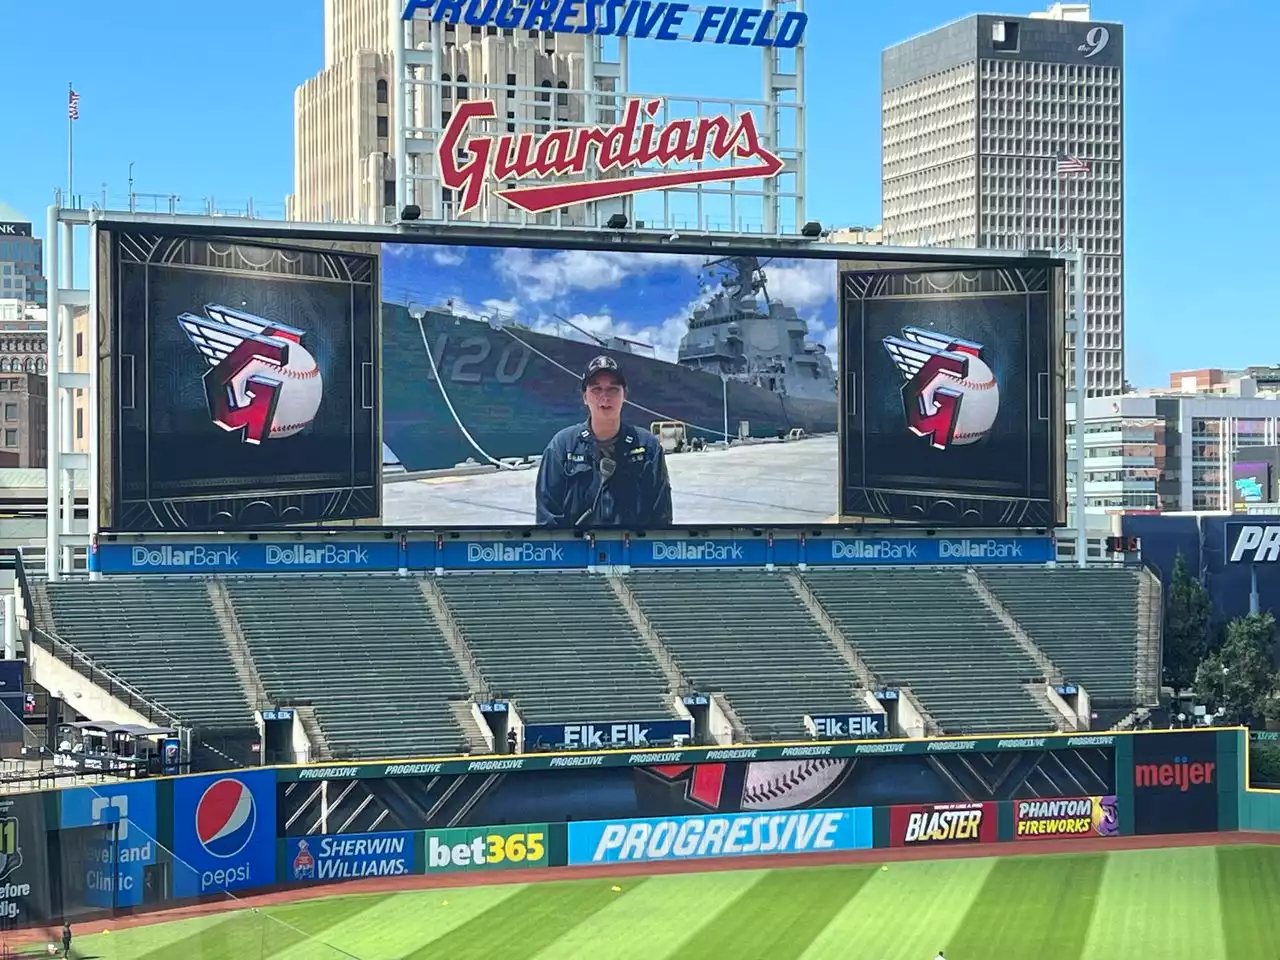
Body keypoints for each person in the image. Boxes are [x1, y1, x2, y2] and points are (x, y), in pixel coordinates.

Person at [535, 356, 673, 529]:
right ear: (585, 397)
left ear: (625, 395)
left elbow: (661, 517)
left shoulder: (648, 448)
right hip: (577, 553)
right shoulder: (561, 447)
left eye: (613, 389)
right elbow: (547, 520)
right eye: (596, 389)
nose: (605, 397)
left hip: (634, 552)